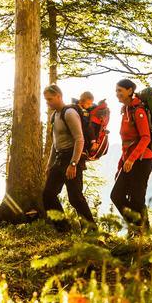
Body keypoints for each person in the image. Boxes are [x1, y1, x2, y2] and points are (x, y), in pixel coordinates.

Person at [42, 84, 95, 230]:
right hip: (60, 159)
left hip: (72, 158)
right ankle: (63, 228)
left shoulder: (70, 113)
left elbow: (80, 139)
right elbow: (55, 143)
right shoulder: (54, 116)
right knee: (48, 194)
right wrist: (49, 165)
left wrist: (73, 164)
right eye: (46, 100)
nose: (48, 103)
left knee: (75, 198)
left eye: (50, 99)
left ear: (59, 96)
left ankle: (91, 230)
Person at [110, 78, 152, 233]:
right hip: (129, 161)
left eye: (120, 90)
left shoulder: (138, 111)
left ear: (130, 91)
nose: (117, 94)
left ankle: (143, 235)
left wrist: (132, 159)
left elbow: (146, 138)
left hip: (142, 161)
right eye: (116, 91)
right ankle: (138, 228)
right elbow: (126, 143)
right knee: (116, 195)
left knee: (137, 199)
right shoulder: (126, 111)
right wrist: (121, 166)